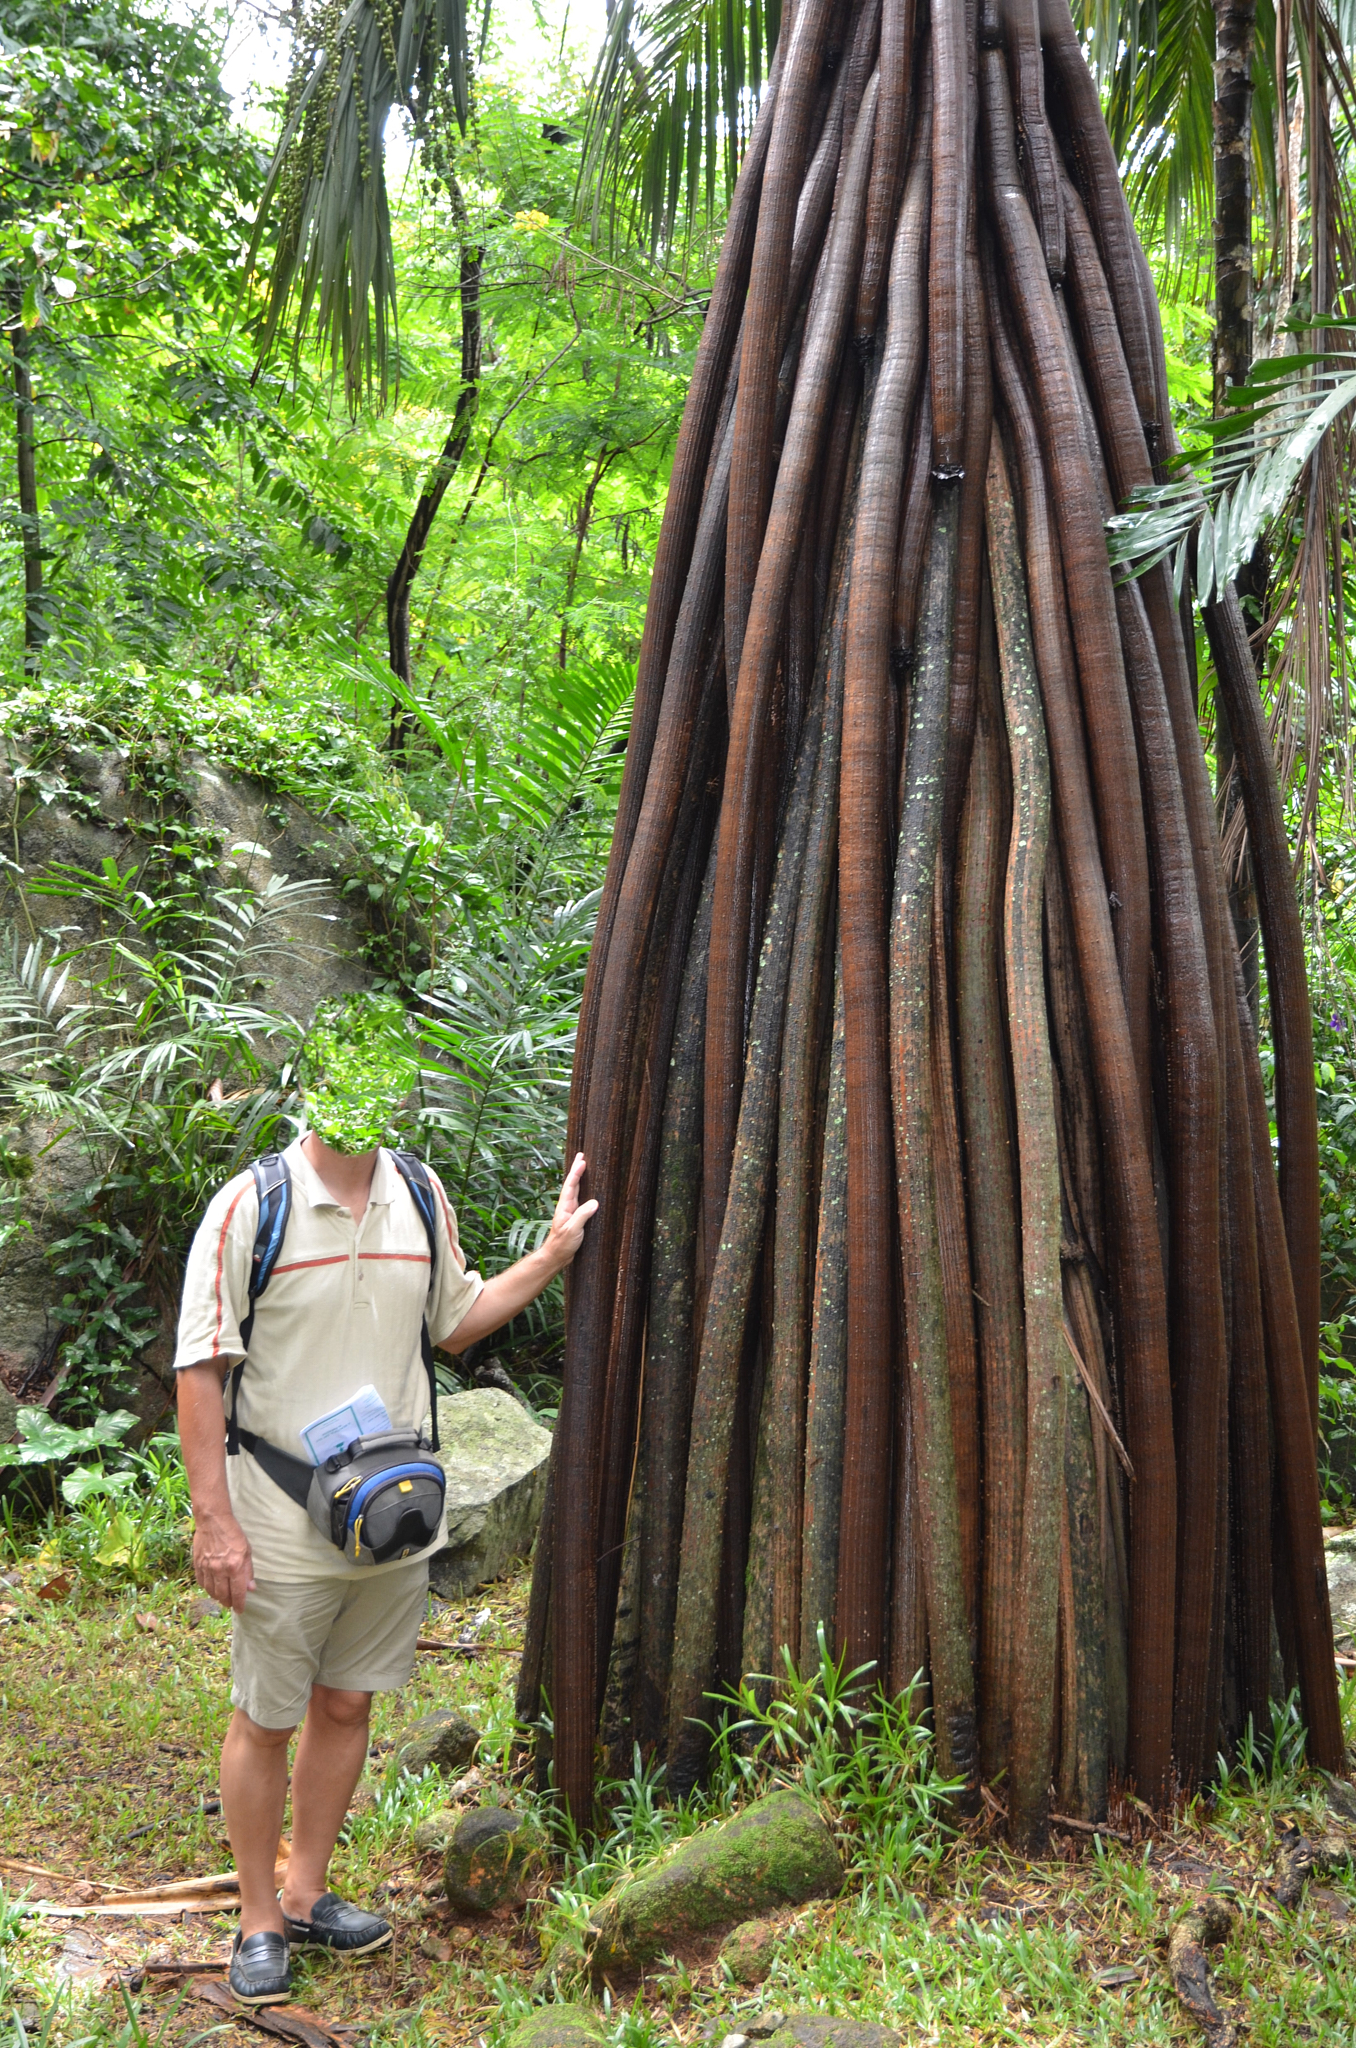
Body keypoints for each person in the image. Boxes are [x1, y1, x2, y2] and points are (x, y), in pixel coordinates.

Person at [174, 996, 596, 2007]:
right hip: (278, 1507)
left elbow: (456, 1320)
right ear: (312, 1080)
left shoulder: (418, 1191)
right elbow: (200, 1367)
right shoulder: (251, 1205)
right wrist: (213, 1519)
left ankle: (309, 1890)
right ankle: (257, 1916)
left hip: (394, 1504)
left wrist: (548, 1256)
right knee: (266, 1715)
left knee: (349, 1698)